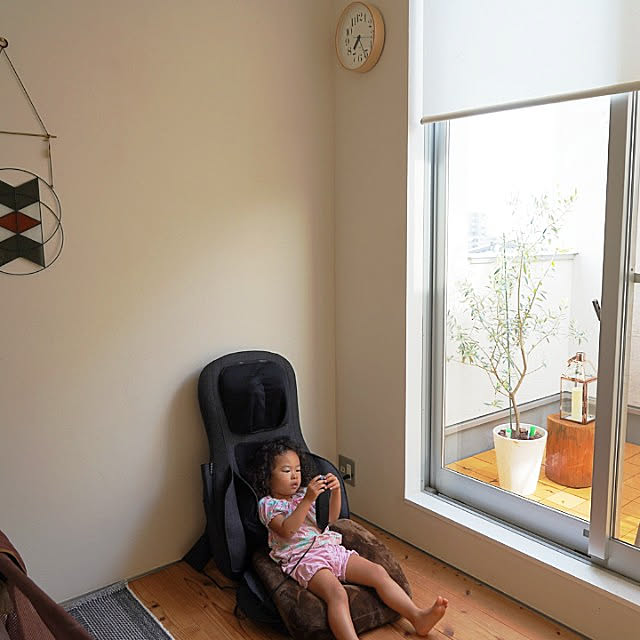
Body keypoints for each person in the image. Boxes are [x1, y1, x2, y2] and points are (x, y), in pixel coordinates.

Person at [250, 438, 448, 640]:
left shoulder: (303, 493)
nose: (295, 476)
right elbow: (287, 530)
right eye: (286, 471)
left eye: (298, 470)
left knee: (378, 572)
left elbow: (330, 520)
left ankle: (417, 617)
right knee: (337, 594)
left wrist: (335, 492)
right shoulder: (268, 504)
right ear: (267, 477)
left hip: (329, 547)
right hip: (303, 558)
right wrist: (308, 499)